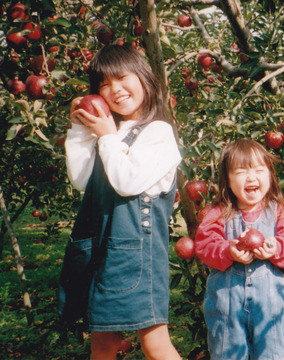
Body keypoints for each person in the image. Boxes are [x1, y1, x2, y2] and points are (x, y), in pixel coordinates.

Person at [58, 44, 182, 360]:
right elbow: (84, 179)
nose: (114, 89)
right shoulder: (109, 134)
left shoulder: (158, 133)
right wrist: (80, 129)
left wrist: (106, 135)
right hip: (103, 252)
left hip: (137, 258)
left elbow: (127, 181)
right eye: (103, 84)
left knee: (154, 344)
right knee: (102, 344)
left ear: (144, 79)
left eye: (121, 77)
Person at [195, 139, 284, 360]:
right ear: (227, 179)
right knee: (227, 353)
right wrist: (228, 250)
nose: (251, 177)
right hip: (227, 307)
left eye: (259, 170)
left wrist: (274, 248)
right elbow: (204, 246)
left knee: (272, 354)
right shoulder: (218, 214)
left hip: (272, 310)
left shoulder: (281, 213)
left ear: (270, 176)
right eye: (241, 171)